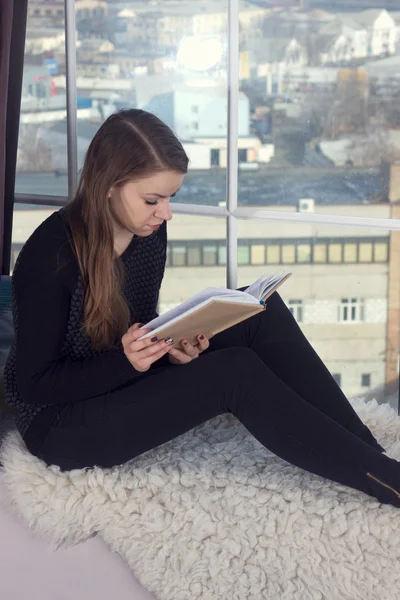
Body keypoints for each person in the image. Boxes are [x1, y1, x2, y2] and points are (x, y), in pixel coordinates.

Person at [5, 109, 400, 508]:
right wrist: (129, 363)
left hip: (117, 378)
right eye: (152, 199)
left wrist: (171, 351)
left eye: (170, 198)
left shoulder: (147, 234)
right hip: (60, 424)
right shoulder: (50, 256)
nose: (166, 213)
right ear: (108, 185)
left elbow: (135, 328)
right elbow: (34, 385)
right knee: (234, 371)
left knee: (258, 311)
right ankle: (387, 482)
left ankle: (369, 452)